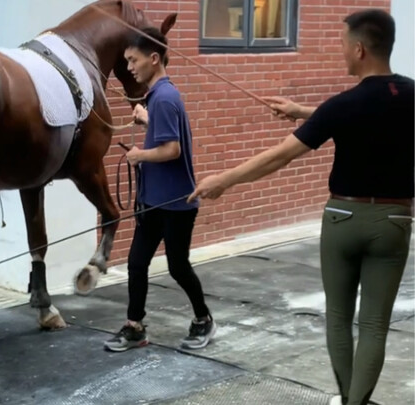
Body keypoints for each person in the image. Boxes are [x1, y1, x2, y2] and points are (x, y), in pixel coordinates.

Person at [188, 9, 413, 405]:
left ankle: (347, 399)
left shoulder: (344, 104)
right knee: (375, 324)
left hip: (343, 219)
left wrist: (222, 180)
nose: (341, 52)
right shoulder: (409, 95)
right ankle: (356, 403)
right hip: (395, 220)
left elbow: (280, 156)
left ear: (359, 49)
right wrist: (302, 111)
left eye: (344, 45)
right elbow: (359, 116)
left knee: (339, 319)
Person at [104, 26, 216, 353]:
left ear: (154, 58)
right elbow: (168, 131)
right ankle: (135, 326)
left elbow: (172, 150)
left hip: (176, 203)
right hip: (153, 201)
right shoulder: (161, 97)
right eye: (126, 61)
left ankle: (203, 319)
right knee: (137, 262)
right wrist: (147, 121)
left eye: (133, 59)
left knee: (178, 266)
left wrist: (138, 155)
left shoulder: (165, 98)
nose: (129, 67)